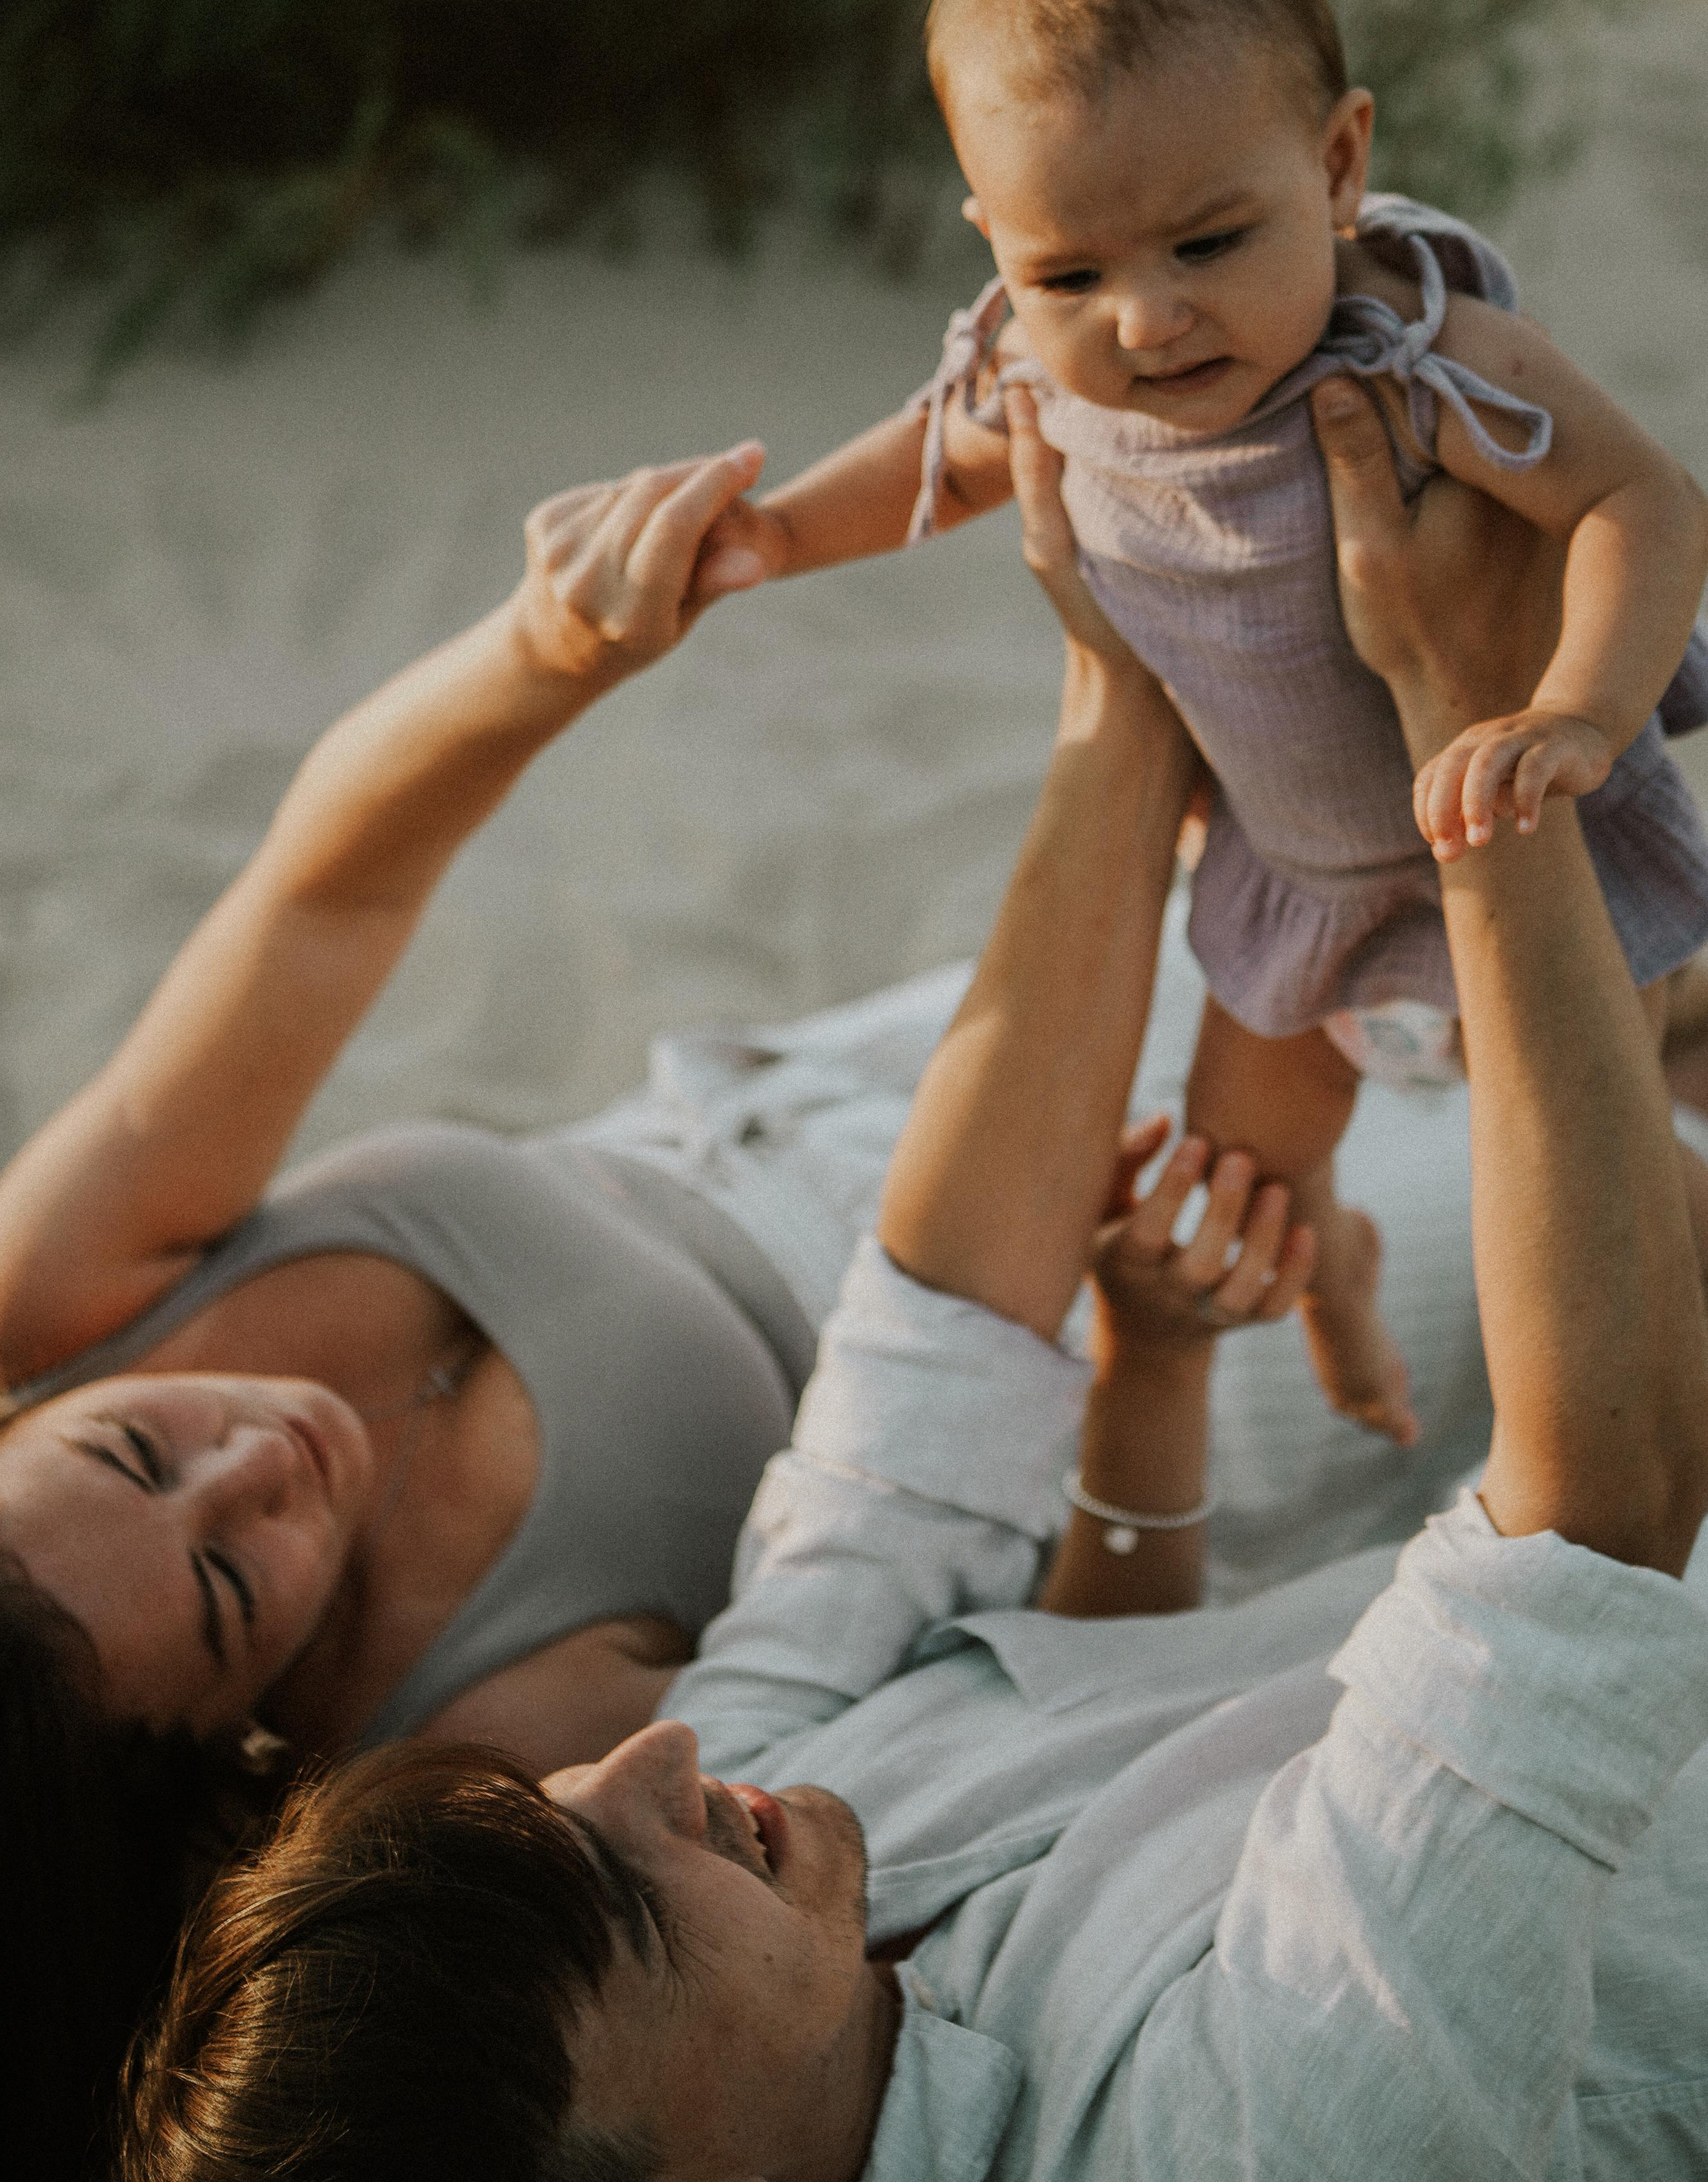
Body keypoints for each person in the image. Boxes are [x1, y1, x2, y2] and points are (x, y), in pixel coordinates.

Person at [120, 379, 1708, 2181]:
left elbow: (917, 1394)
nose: (645, 1767)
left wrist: (1122, 666)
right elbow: (1589, 1534)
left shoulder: (757, 1821)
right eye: (618, 1908)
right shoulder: (1229, 2142)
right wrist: (1470, 740)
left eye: (552, 1817)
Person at [0, 429, 1392, 2181]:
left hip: (861, 1089)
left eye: (130, 1449)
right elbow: (988, 1654)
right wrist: (1155, 1364)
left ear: (1, 1427)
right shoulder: (511, 1753)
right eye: (232, 1586)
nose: (255, 1461)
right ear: (225, 1762)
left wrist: (545, 652)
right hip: (1089, 1303)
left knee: (1436, 850)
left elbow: (322, 898)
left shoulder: (48, 1309)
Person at [692, 0, 1708, 1448]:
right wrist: (773, 535)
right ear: (994, 245)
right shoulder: (1045, 374)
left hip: (1525, 842)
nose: (1148, 318)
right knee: (1246, 1173)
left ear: (1337, 165)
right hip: (1292, 879)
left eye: (1210, 243)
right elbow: (933, 457)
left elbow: (1643, 503)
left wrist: (1579, 713)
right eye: (1066, 274)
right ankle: (1338, 1288)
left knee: (1597, 1170)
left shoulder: (1418, 362)